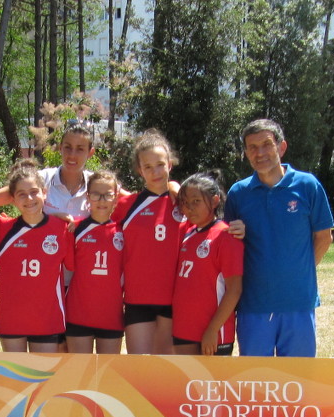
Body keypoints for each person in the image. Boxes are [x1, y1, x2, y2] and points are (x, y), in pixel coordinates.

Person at [223, 118, 334, 357]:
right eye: (252, 147)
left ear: (281, 147)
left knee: (297, 377)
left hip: (298, 303)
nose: (260, 153)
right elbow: (227, 247)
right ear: (246, 153)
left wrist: (299, 271)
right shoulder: (238, 193)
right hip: (253, 305)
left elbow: (324, 237)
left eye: (267, 144)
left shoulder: (308, 185)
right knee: (255, 376)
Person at [111, 129, 186, 355]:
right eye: (148, 167)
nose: (156, 172)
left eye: (160, 164)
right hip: (138, 298)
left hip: (174, 299)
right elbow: (97, 224)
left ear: (170, 164)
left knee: (166, 369)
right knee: (140, 368)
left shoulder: (185, 202)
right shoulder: (126, 206)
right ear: (139, 170)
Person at [0, 160, 70, 353]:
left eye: (34, 192)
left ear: (44, 192)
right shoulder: (0, 228)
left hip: (47, 317)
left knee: (43, 371)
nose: (29, 198)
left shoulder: (62, 228)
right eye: (22, 194)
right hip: (11, 317)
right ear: (13, 199)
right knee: (14, 372)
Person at [172, 171, 244, 356]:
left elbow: (234, 290)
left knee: (211, 377)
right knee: (184, 377)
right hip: (183, 330)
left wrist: (213, 329)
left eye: (196, 201)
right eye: (185, 202)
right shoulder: (187, 235)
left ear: (214, 201)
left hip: (213, 334)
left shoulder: (226, 236)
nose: (190, 208)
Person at [64, 170, 125, 354]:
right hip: (79, 312)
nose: (102, 200)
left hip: (111, 314)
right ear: (87, 197)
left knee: (106, 370)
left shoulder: (123, 231)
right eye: (96, 194)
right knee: (80, 369)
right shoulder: (75, 228)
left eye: (108, 195)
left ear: (116, 199)